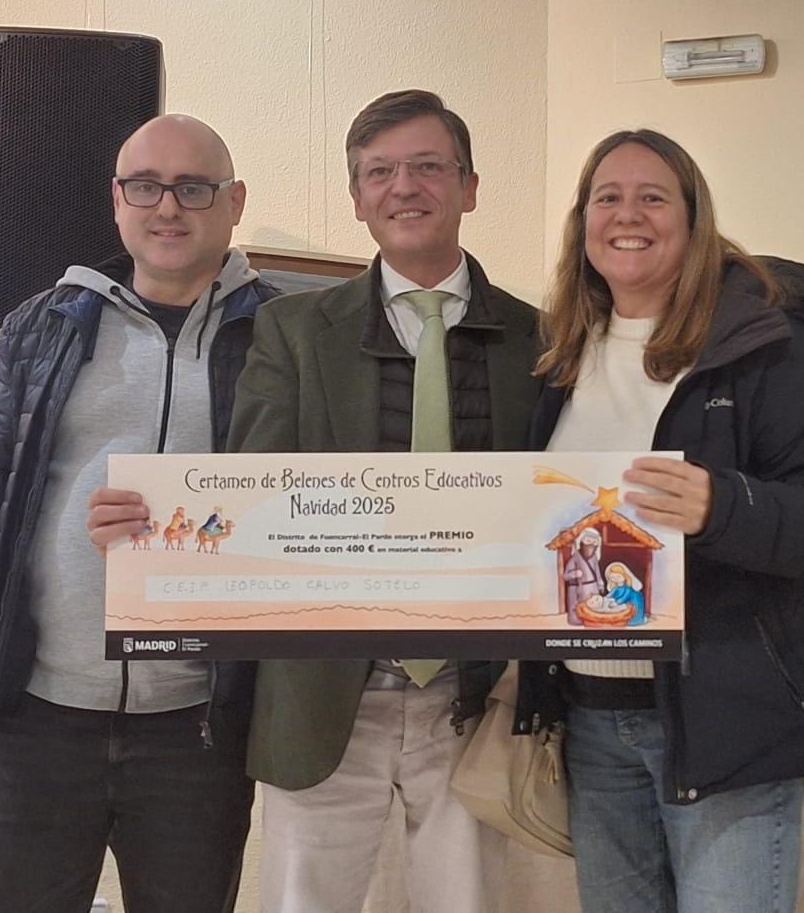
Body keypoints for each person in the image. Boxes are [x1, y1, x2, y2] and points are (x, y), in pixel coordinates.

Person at [514, 128, 804, 913]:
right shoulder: (561, 355)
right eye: (607, 197)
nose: (627, 215)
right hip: (592, 722)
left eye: (653, 197)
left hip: (729, 724)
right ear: (582, 222)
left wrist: (722, 505)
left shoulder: (769, 342)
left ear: (693, 219)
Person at [0, 114, 277, 911]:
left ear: (234, 202)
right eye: (146, 187)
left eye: (194, 188)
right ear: (117, 200)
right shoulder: (42, 324)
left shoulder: (282, 334)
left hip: (198, 728)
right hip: (39, 716)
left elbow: (306, 504)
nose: (169, 207)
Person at [226, 88, 543, 913]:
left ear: (470, 186)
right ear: (358, 197)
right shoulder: (293, 331)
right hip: (323, 694)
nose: (405, 186)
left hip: (477, 701)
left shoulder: (542, 339)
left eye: (428, 166)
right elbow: (254, 497)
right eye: (380, 172)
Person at [562, 528, 604, 624]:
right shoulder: (575, 558)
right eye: (588, 541)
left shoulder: (594, 558)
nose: (590, 544)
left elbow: (597, 573)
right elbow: (565, 576)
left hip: (593, 587)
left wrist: (600, 584)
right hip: (577, 588)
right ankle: (576, 621)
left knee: (593, 607)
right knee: (577, 609)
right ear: (581, 541)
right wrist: (575, 573)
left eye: (593, 542)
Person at [601, 561, 646, 625]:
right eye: (612, 578)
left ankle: (634, 620)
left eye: (618, 576)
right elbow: (610, 594)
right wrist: (604, 599)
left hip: (633, 606)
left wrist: (617, 603)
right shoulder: (616, 588)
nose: (616, 579)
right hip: (624, 605)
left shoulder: (628, 588)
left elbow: (625, 597)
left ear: (625, 576)